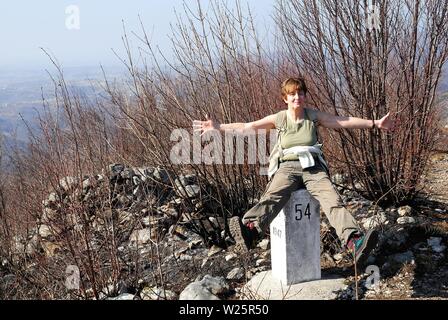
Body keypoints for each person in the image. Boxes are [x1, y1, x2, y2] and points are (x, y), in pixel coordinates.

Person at [193, 77, 396, 266]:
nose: (297, 97)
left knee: (332, 200)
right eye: (292, 94)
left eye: (300, 93)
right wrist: (218, 127)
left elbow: (342, 121)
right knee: (273, 195)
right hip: (288, 166)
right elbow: (247, 127)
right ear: (285, 98)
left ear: (305, 96)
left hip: (313, 167)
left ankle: (354, 241)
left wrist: (375, 123)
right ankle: (251, 230)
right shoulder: (279, 118)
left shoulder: (313, 116)